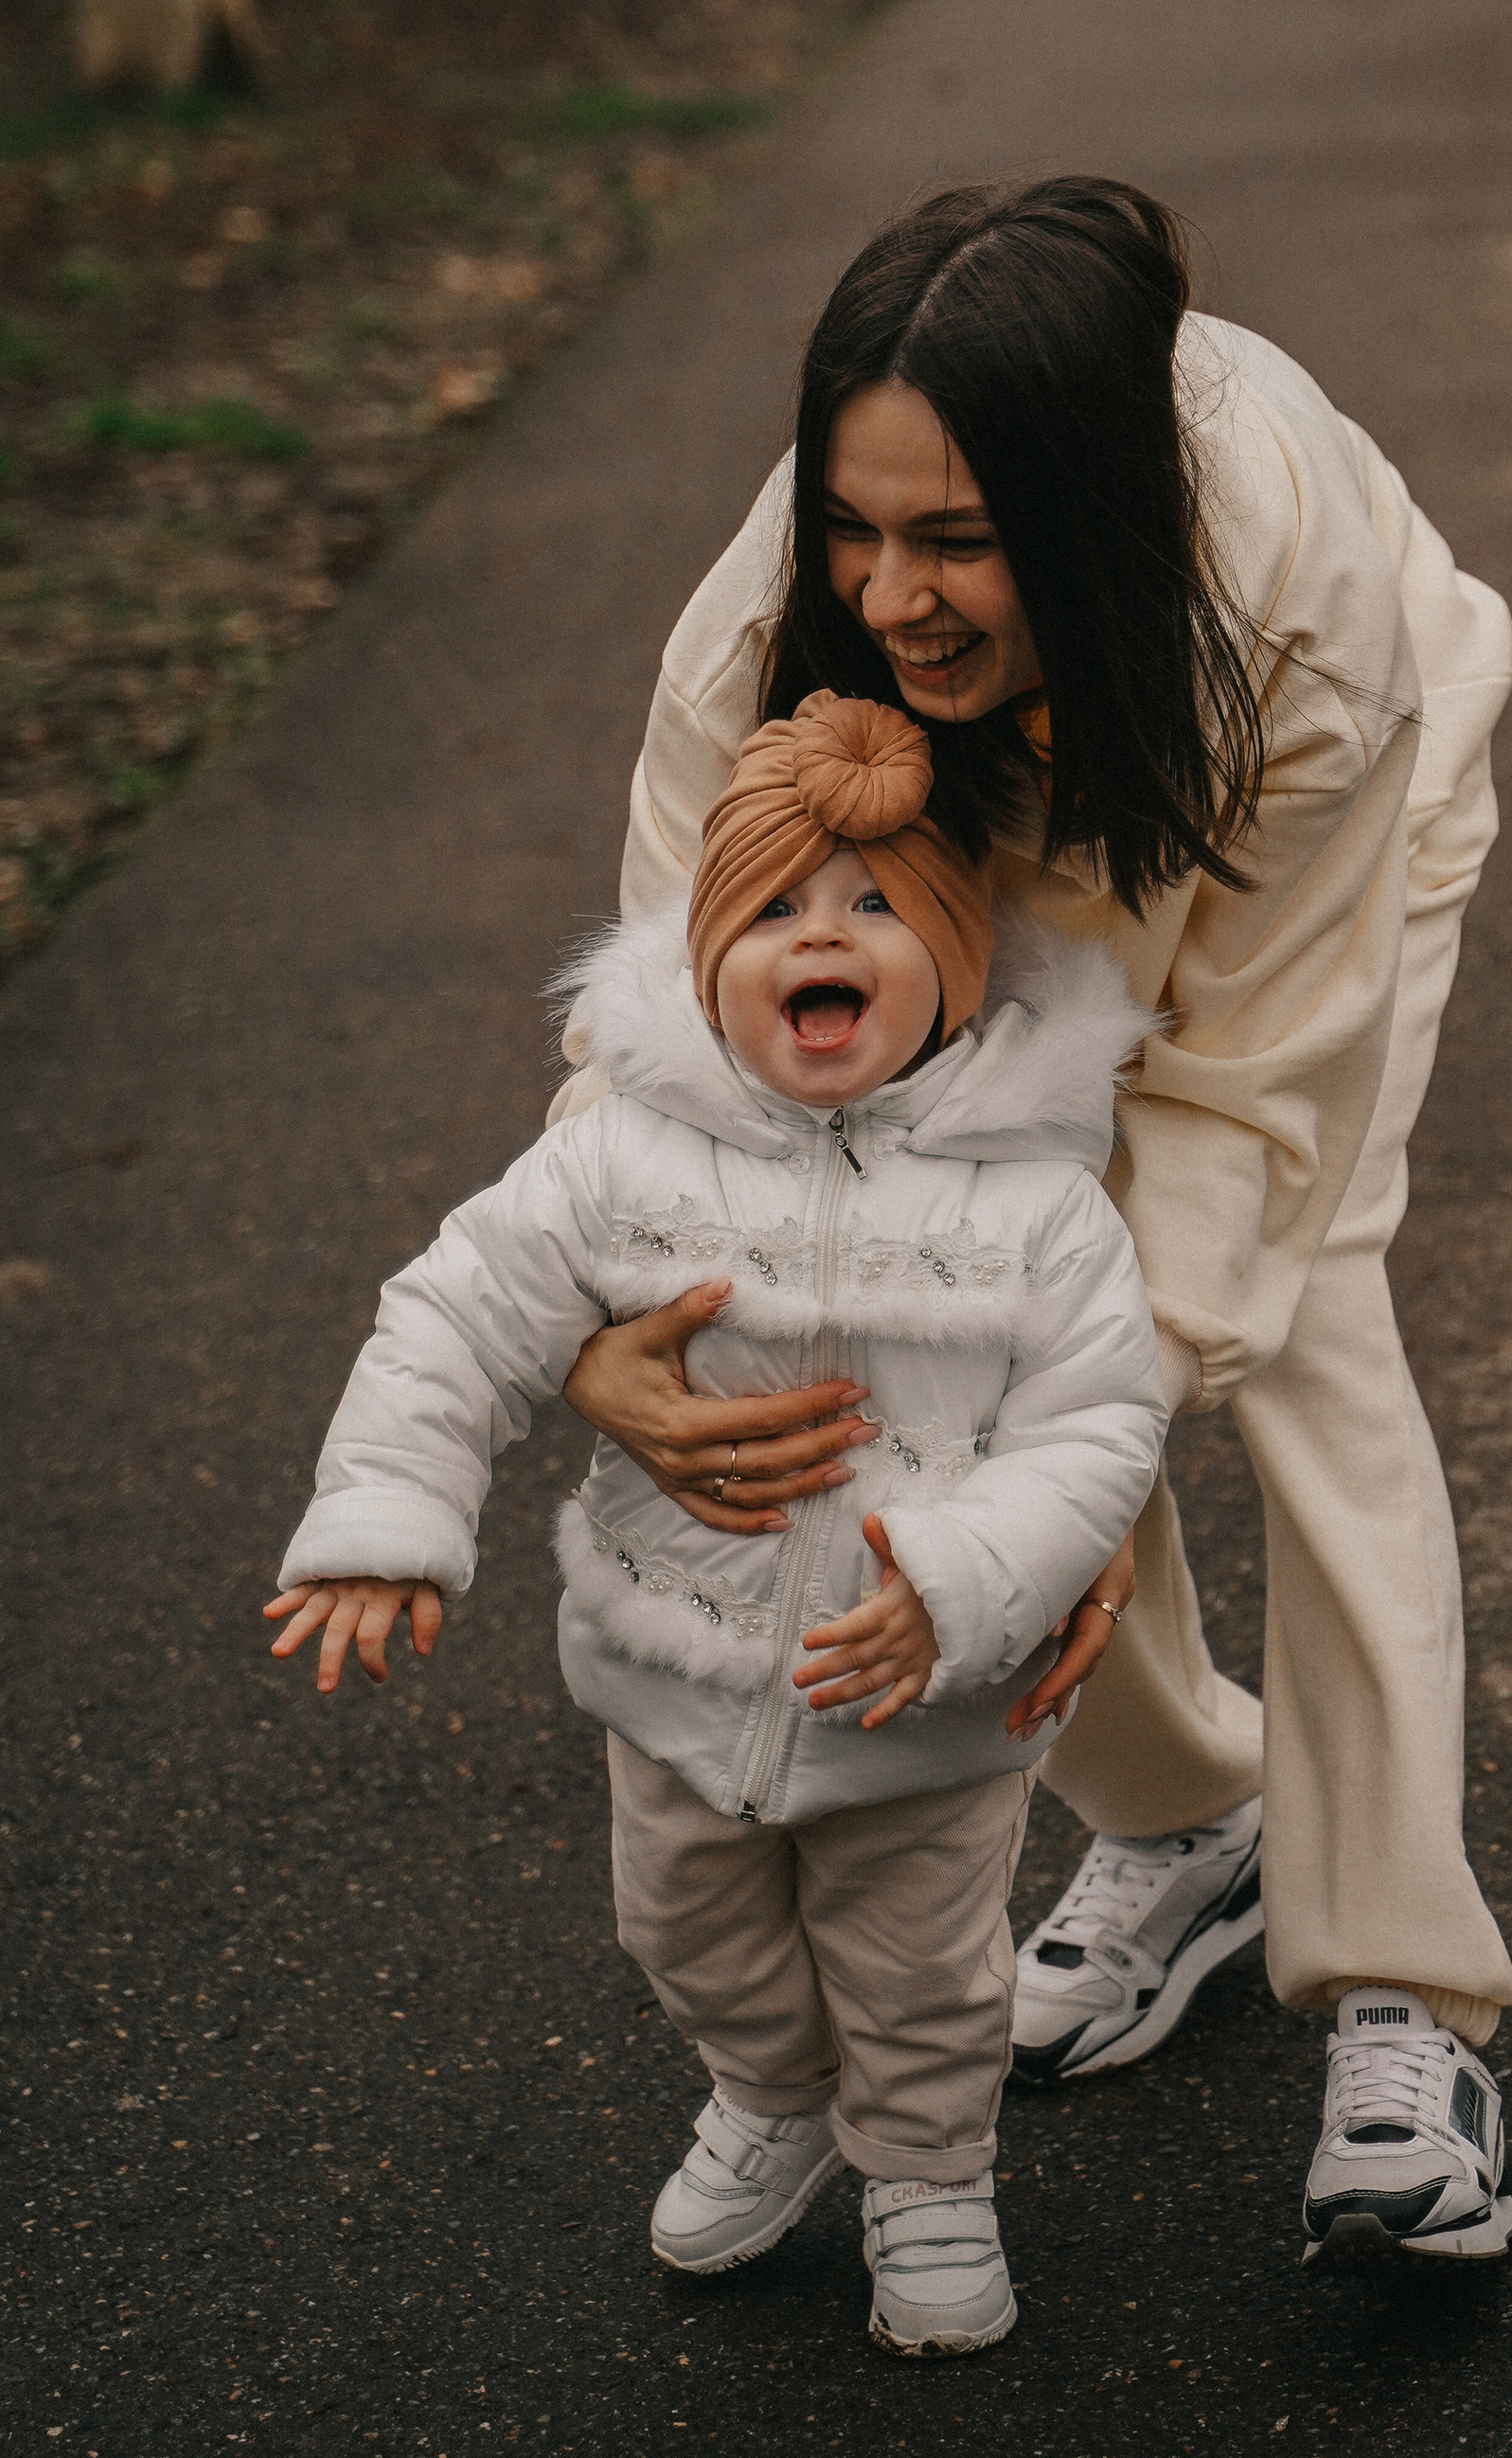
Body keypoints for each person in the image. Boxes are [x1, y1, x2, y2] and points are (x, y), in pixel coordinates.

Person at [556, 174, 1512, 2264]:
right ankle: (1188, 1816)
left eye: (954, 541)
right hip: (960, 808)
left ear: (1076, 516)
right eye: (855, 525)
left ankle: (1400, 1984)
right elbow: (664, 1003)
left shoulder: (1306, 643)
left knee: (1292, 1298)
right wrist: (616, 1312)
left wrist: (1067, 1478)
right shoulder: (775, 643)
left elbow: (1241, 1113)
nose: (886, 590)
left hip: (1268, 807)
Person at [267, 692, 1166, 2355]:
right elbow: (459, 1317)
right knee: (686, 1929)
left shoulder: (1038, 1199)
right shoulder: (621, 1161)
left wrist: (965, 1582)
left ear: (961, 960)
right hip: (676, 1668)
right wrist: (388, 1514)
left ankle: (925, 2173)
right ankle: (770, 2096)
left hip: (921, 1695)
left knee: (921, 1971)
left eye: (879, 905)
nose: (822, 935)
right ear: (705, 960)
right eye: (773, 908)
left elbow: (1103, 1419)